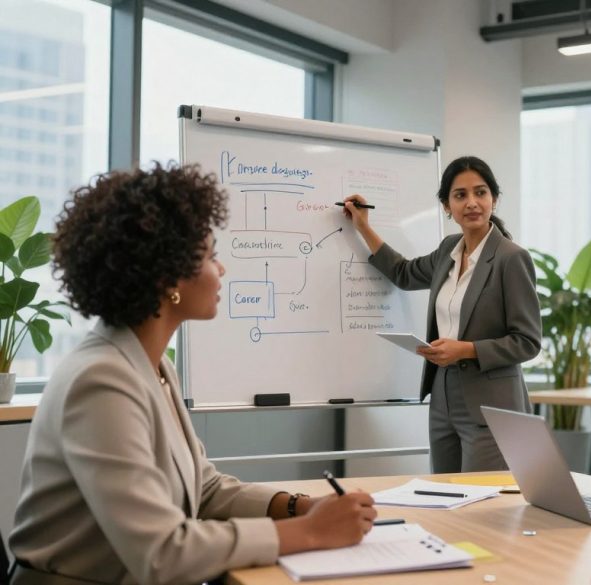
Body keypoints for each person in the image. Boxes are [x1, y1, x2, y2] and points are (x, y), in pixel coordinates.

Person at [8, 164, 377, 585]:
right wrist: (309, 532)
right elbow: (163, 554)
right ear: (168, 278)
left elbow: (203, 490)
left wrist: (295, 506)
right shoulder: (101, 382)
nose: (221, 270)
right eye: (209, 256)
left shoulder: (150, 364)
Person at [341, 156, 541, 473]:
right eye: (460, 195)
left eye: (481, 192)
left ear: (494, 199)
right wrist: (364, 226)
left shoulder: (511, 259)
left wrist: (465, 349)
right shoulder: (449, 249)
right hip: (443, 395)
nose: (472, 203)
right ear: (447, 206)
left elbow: (527, 342)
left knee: (480, 506)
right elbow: (404, 273)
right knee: (445, 496)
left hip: (490, 403)